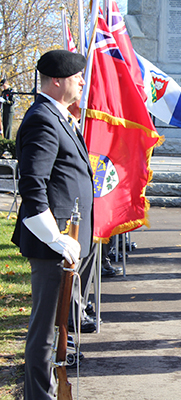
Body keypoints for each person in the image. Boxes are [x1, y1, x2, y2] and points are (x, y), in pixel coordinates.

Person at [11, 49, 93, 400]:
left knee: (59, 331)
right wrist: (55, 238)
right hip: (54, 245)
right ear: (58, 81)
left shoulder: (60, 116)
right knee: (45, 333)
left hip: (69, 242)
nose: (82, 83)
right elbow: (32, 186)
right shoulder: (43, 118)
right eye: (78, 78)